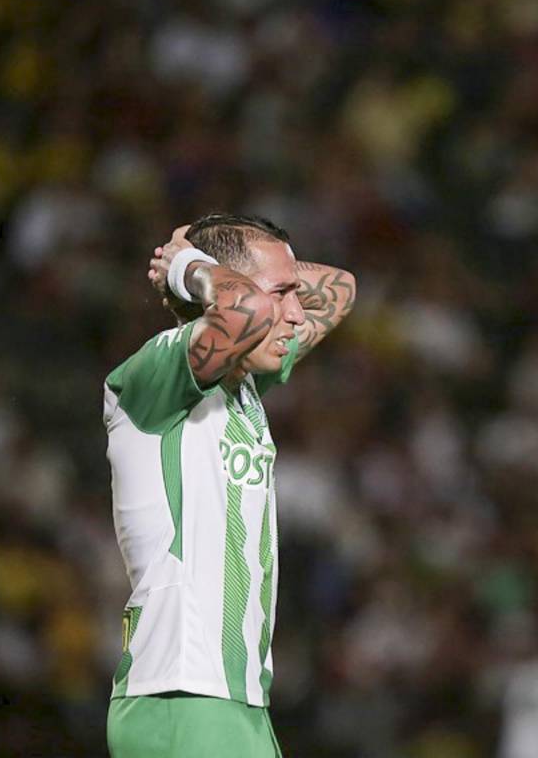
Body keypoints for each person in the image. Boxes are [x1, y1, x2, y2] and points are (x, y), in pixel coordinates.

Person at [102, 213, 355, 757]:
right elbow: (247, 310)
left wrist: (220, 267)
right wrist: (190, 266)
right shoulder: (156, 375)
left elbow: (340, 289)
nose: (295, 312)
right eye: (282, 293)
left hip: (234, 700)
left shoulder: (242, 385)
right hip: (182, 691)